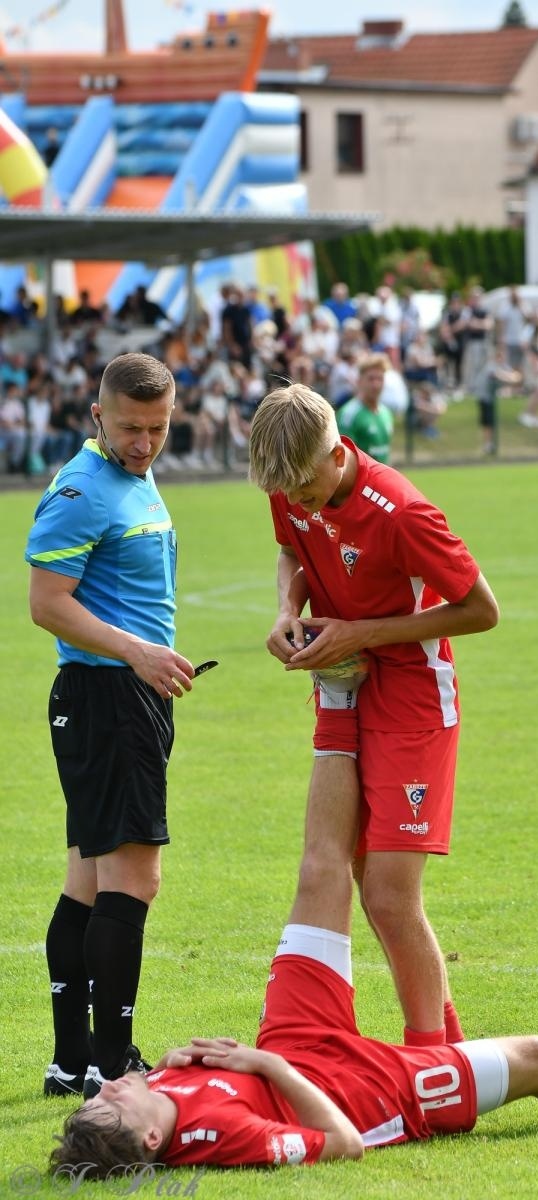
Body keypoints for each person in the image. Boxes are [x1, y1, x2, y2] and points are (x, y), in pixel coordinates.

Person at [49, 908, 538, 1176]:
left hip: (299, 1041)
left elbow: (186, 1084)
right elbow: (341, 1145)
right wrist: (263, 1063)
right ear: (150, 1144)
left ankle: (337, 697)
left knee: (320, 876)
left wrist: (187, 1059)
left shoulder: (159, 1100)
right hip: (370, 1095)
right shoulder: (218, 1135)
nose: (108, 1086)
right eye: (112, 1105)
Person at [248, 384, 499, 1048]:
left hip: (414, 700)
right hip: (342, 683)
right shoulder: (291, 481)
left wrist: (361, 634)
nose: (295, 503)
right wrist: (285, 612)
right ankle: (445, 1050)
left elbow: (481, 610)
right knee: (357, 875)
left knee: (389, 895)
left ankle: (432, 1064)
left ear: (337, 454)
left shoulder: (404, 512)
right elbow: (293, 553)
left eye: (304, 489)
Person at [25, 353, 196, 1102]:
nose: (145, 442)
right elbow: (46, 602)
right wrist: (136, 653)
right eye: (130, 427)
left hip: (126, 695)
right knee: (135, 878)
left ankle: (71, 1062)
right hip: (108, 697)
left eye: (158, 428)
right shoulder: (82, 487)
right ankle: (112, 1060)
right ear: (98, 415)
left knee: (89, 881)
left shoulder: (137, 473)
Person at [336, 352, 394, 463]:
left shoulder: (386, 413)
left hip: (380, 479)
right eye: (371, 379)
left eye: (380, 379)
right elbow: (344, 460)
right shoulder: (349, 414)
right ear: (359, 381)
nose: (376, 384)